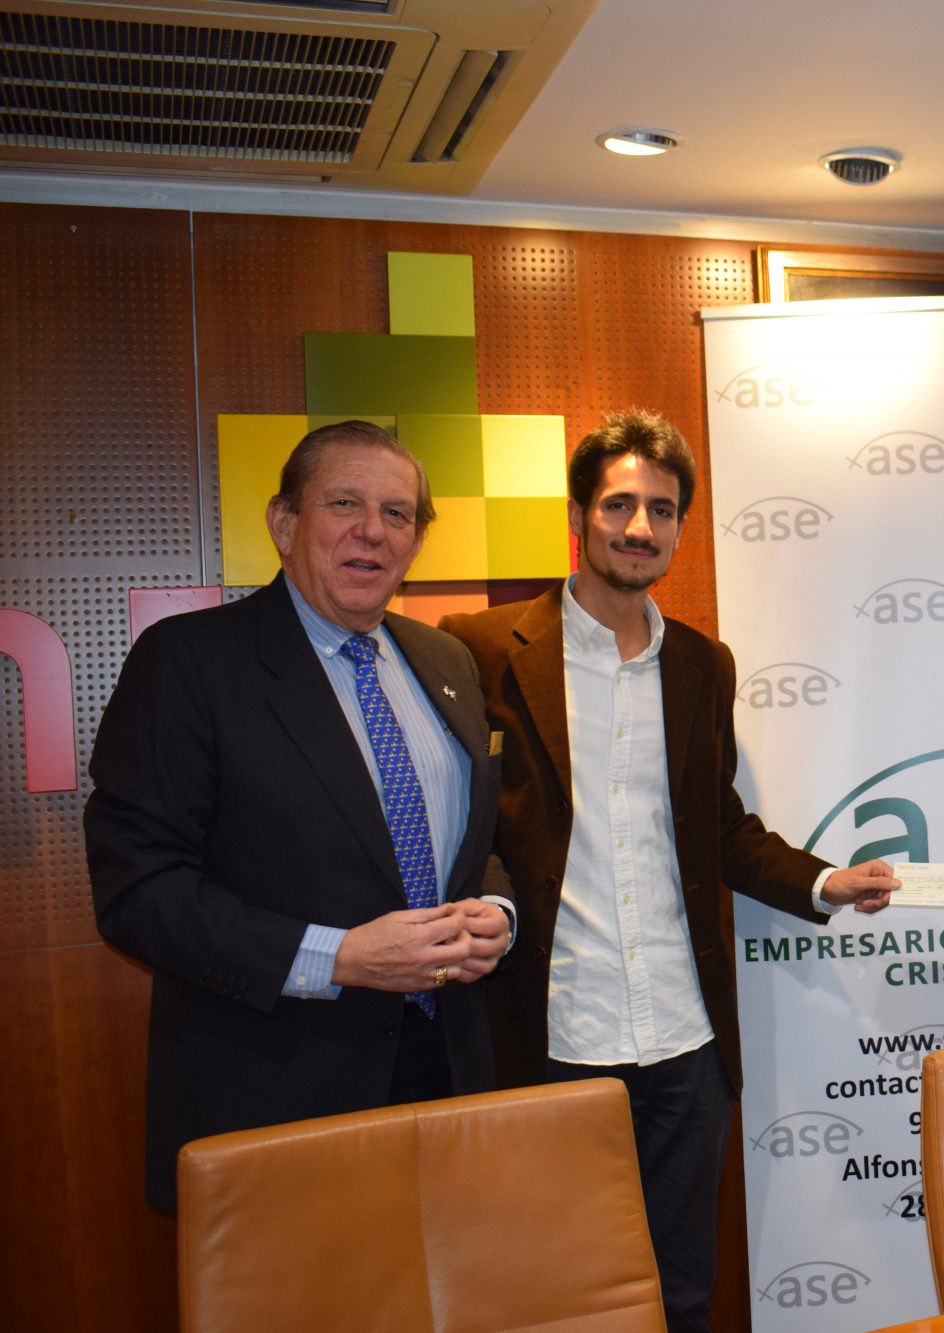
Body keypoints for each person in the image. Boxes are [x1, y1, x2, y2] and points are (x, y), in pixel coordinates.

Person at [441, 409, 897, 1332]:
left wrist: (823, 882)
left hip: (686, 1044)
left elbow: (716, 826)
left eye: (661, 508)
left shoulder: (702, 663)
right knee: (554, 1295)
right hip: (551, 1038)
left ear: (682, 525)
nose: (639, 527)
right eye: (619, 504)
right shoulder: (480, 649)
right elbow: (459, 822)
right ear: (579, 514)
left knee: (682, 1295)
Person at [87, 419, 510, 1213]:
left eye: (397, 513)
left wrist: (497, 909)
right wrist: (337, 957)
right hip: (276, 1095)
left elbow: (467, 841)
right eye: (344, 503)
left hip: (449, 1077)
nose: (372, 531)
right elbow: (140, 892)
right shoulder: (188, 662)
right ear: (284, 523)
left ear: (417, 541)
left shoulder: (446, 660)